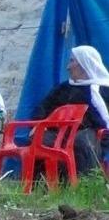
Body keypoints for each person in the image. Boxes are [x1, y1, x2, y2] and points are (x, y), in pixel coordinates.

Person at [31, 45, 109, 174]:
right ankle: (46, 186)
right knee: (41, 140)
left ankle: (86, 185)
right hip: (59, 132)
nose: (68, 67)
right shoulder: (64, 88)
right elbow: (43, 107)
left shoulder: (104, 90)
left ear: (84, 65)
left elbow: (104, 119)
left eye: (72, 61)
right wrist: (39, 124)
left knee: (82, 142)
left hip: (89, 132)